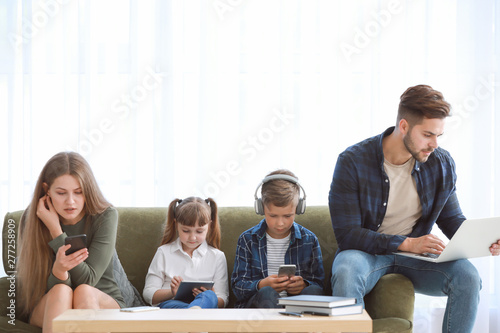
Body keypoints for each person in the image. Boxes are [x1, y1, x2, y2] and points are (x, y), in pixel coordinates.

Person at [329, 84, 500, 333]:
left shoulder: (441, 164)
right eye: (428, 135)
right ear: (404, 126)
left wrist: (486, 241)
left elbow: (452, 219)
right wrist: (407, 243)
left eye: (438, 136)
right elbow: (347, 234)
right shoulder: (352, 161)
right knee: (346, 269)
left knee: (468, 276)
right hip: (366, 253)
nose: (434, 144)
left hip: (415, 258)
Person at [16, 152, 125, 333]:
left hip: (101, 299)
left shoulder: (106, 216)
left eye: (78, 192)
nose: (70, 202)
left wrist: (56, 231)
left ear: (87, 190)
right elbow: (50, 290)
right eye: (61, 193)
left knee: (83, 291)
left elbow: (87, 280)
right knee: (61, 291)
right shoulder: (33, 218)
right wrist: (59, 272)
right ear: (46, 190)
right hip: (50, 302)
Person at [231, 169, 325, 308]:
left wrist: (304, 285)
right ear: (261, 208)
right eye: (273, 216)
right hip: (261, 304)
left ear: (298, 208)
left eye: (288, 216)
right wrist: (261, 285)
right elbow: (238, 287)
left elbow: (319, 284)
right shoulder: (247, 240)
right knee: (267, 292)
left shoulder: (309, 240)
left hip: (296, 305)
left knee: (313, 291)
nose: (280, 223)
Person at [143, 197, 229, 309]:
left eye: (199, 231)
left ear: (209, 226)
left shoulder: (217, 256)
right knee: (171, 305)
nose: (192, 237)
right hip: (173, 304)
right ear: (176, 225)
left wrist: (211, 294)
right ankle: (193, 315)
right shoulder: (164, 252)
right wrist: (172, 292)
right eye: (186, 231)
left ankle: (192, 313)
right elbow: (148, 294)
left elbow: (223, 298)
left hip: (205, 307)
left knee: (209, 296)